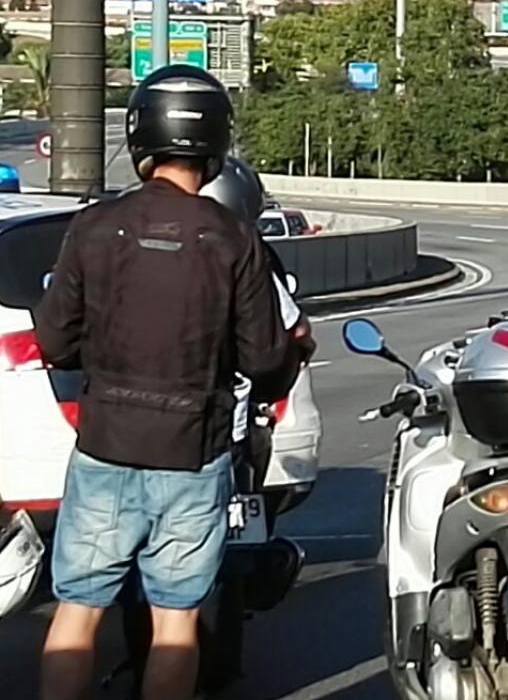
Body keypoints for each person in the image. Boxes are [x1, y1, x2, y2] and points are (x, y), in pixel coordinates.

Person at [35, 65, 305, 700]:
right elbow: (265, 359)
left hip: (104, 445)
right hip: (194, 450)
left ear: (140, 136)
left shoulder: (94, 228)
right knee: (176, 621)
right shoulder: (235, 238)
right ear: (215, 144)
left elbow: (53, 341)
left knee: (78, 609)